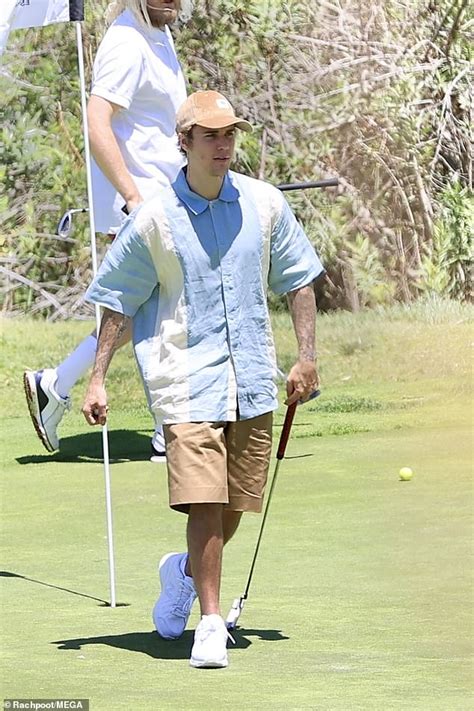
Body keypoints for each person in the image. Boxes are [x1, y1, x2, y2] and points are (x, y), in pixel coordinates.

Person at [82, 90, 324, 668]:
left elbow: (300, 280)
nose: (224, 145)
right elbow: (117, 299)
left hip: (253, 379)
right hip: (184, 380)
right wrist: (97, 379)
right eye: (211, 135)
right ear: (184, 142)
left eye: (230, 135)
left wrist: (307, 356)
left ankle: (184, 572)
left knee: (237, 504)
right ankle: (210, 622)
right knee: (205, 502)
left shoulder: (264, 205)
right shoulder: (154, 219)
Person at [23, 0, 191, 461]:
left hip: (167, 200)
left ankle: (54, 385)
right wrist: (133, 201)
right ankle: (167, 434)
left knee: (140, 314)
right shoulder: (125, 40)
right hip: (141, 205)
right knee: (165, 312)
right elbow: (97, 125)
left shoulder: (158, 30)